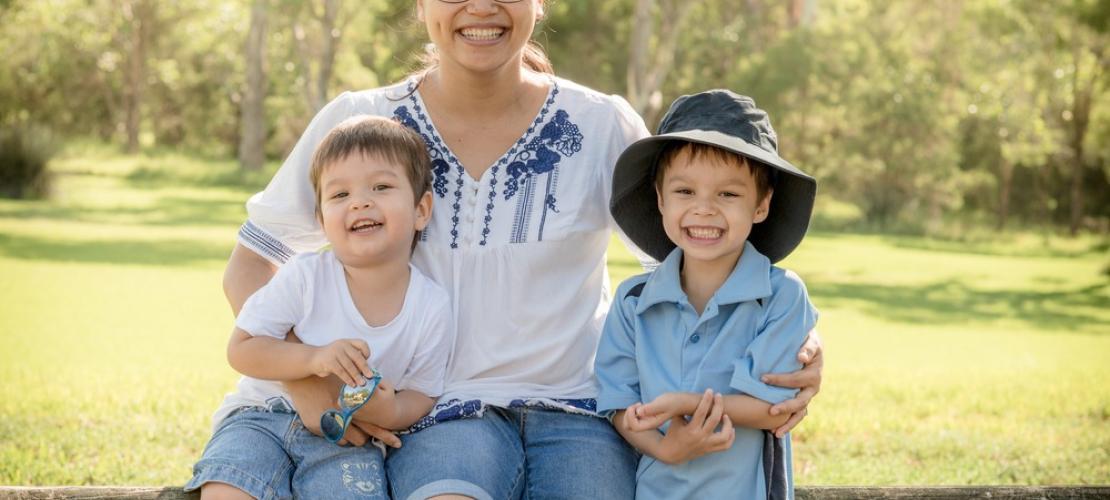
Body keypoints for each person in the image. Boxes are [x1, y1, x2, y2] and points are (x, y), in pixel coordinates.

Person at [221, 1, 825, 498]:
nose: (480, 7)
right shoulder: (362, 120)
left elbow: (692, 264)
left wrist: (795, 341)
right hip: (439, 415)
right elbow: (254, 259)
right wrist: (313, 386)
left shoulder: (601, 124)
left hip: (580, 414)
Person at [186, 116, 455, 500]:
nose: (360, 201)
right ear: (322, 220)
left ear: (421, 209)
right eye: (340, 195)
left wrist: (389, 412)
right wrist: (314, 359)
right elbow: (242, 348)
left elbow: (423, 393)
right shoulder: (304, 277)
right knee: (228, 489)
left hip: (345, 437)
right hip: (262, 416)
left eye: (381, 186)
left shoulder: (430, 306)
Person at [596, 90, 819, 499]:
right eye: (685, 192)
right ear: (660, 199)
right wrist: (665, 446)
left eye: (728, 194)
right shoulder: (632, 302)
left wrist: (686, 402)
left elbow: (772, 408)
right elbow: (620, 406)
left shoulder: (781, 295)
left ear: (761, 205)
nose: (704, 209)